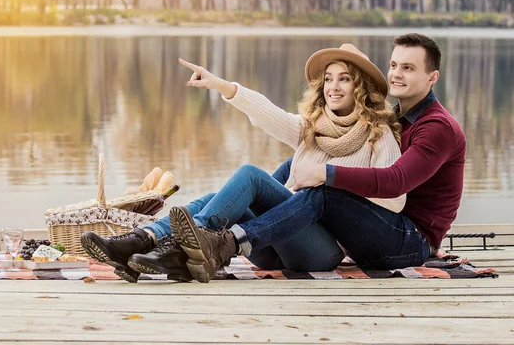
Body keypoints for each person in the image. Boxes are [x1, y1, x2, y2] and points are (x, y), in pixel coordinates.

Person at [81, 43, 405, 283]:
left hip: (321, 252)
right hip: (270, 245)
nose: (333, 87)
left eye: (344, 79)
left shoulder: (378, 137)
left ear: (360, 87)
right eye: (329, 79)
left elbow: (395, 198)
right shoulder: (311, 129)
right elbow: (267, 113)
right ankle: (141, 242)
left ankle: (183, 244)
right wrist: (222, 85)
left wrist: (330, 177)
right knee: (213, 200)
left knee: (251, 175)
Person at [170, 33, 466, 283]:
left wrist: (327, 172)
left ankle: (229, 242)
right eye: (394, 65)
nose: (397, 74)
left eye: (409, 68)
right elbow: (275, 118)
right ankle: (158, 241)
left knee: (324, 192)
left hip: (410, 240)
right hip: (376, 227)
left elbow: (396, 181)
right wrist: (223, 86)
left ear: (432, 77)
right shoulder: (395, 117)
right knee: (281, 173)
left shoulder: (436, 126)